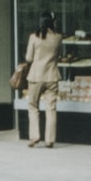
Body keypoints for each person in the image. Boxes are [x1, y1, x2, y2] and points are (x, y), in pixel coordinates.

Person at [25, 11, 61, 148]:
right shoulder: (58, 38)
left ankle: (35, 136)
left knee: (33, 106)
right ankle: (50, 139)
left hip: (36, 76)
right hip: (52, 75)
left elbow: (29, 58)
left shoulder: (34, 37)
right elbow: (58, 55)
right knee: (51, 107)